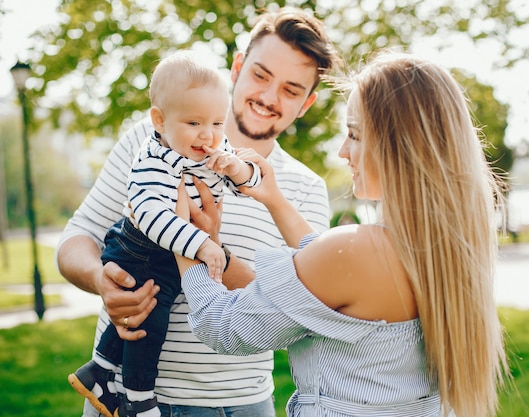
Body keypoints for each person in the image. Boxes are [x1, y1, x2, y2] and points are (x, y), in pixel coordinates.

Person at [175, 52, 509, 417]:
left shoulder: (355, 252)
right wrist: (275, 200)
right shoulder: (443, 251)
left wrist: (184, 241)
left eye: (354, 135)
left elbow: (222, 326)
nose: (342, 151)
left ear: (400, 146)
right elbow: (326, 263)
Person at [55, 7, 340, 417]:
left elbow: (299, 310)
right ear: (237, 67)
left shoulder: (304, 190)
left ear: (307, 103)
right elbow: (76, 238)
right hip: (119, 397)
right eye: (261, 75)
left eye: (291, 89)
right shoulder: (151, 137)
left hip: (238, 404)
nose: (268, 97)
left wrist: (210, 250)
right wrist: (101, 280)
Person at [67, 50, 262, 417]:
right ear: (159, 120)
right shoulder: (153, 158)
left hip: (165, 255)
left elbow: (248, 184)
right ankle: (138, 399)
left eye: (218, 124)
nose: (208, 135)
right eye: (194, 123)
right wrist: (202, 244)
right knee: (150, 323)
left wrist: (237, 169)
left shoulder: (213, 147)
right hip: (137, 249)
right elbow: (150, 215)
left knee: (148, 308)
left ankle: (98, 371)